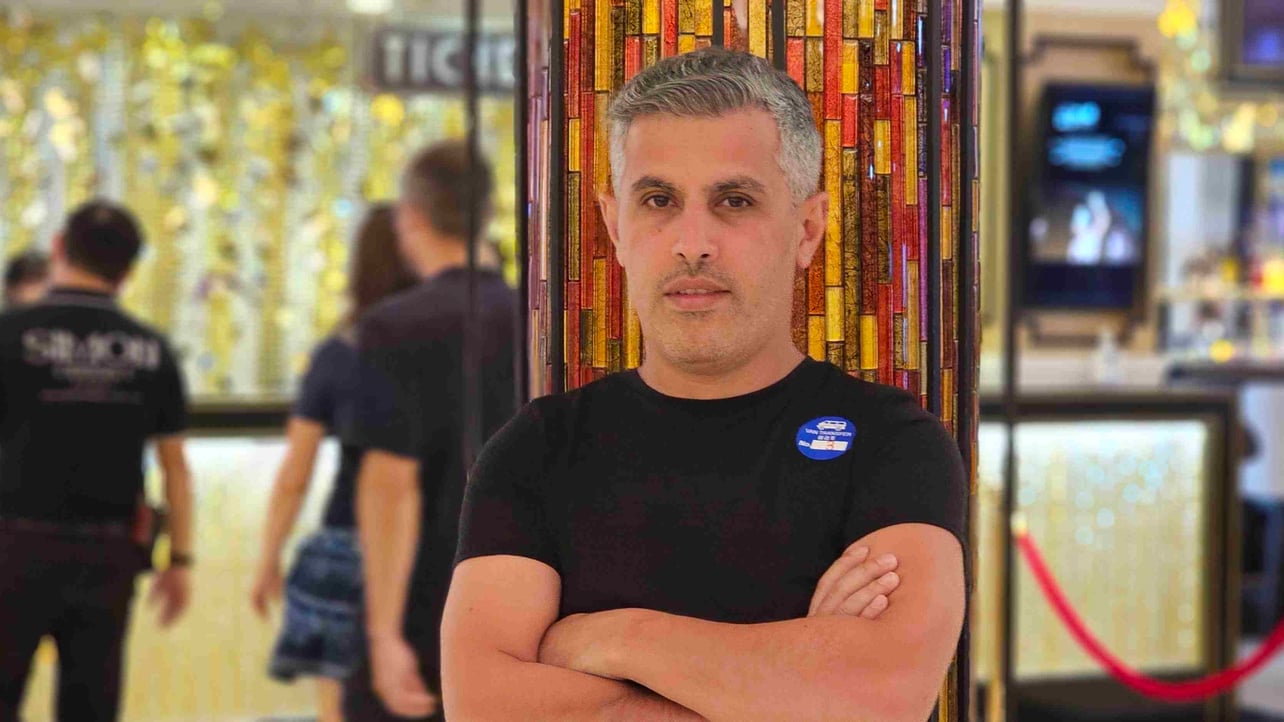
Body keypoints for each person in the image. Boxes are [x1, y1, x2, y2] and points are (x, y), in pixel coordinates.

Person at [442, 47, 967, 721]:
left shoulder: (893, 444)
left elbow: (879, 698)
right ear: (615, 226)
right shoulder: (537, 450)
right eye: (658, 200)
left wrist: (615, 637)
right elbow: (484, 706)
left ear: (807, 230)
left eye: (734, 200)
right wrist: (787, 686)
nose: (693, 242)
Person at [0, 200, 193, 722]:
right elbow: (175, 466)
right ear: (129, 271)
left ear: (59, 247)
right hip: (109, 554)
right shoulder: (152, 350)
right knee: (91, 704)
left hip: (13, 546)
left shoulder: (9, 335)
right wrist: (179, 560)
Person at [346, 141, 518, 721]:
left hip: (426, 603)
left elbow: (391, 485)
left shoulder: (393, 327)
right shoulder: (539, 321)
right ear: (486, 215)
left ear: (410, 217)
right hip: (521, 608)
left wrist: (383, 634)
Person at [250, 204, 417, 722]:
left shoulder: (339, 353)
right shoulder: (454, 345)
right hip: (439, 542)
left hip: (347, 549)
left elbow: (294, 476)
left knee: (339, 705)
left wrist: (269, 558)